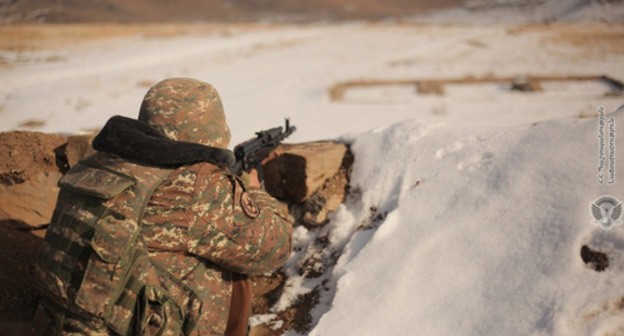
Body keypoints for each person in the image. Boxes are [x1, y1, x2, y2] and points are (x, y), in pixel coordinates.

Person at [31, 78, 293, 336]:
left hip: (59, 321)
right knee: (231, 266)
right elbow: (275, 247)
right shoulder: (194, 184)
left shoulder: (96, 163)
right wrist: (253, 190)